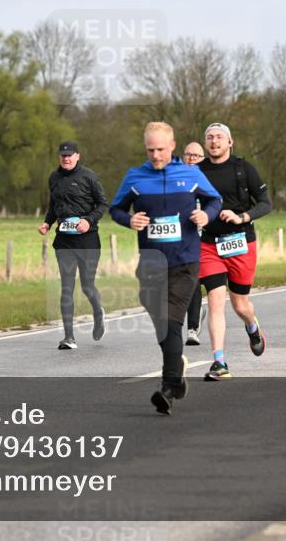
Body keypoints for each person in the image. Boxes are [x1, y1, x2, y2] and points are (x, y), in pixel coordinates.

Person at [110, 122, 222, 414]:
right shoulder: (135, 177)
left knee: (172, 322)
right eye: (150, 150)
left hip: (185, 261)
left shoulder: (190, 173)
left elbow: (214, 199)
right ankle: (177, 367)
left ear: (172, 146)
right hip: (150, 264)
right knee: (163, 325)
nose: (156, 155)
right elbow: (116, 208)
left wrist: (205, 215)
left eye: (160, 149)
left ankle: (168, 387)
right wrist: (128, 220)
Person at [196, 123, 272, 380]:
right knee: (215, 301)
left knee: (240, 304)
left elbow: (266, 204)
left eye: (219, 137)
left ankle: (252, 327)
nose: (214, 141)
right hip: (209, 245)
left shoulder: (244, 168)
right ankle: (219, 362)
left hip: (241, 242)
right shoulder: (196, 171)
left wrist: (242, 217)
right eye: (210, 137)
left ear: (230, 142)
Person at [39, 141, 108, 350]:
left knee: (87, 285)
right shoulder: (54, 178)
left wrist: (89, 220)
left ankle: (98, 312)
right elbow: (54, 205)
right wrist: (47, 223)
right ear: (59, 157)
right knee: (66, 287)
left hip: (87, 240)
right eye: (63, 156)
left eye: (70, 155)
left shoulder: (89, 176)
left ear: (78, 156)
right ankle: (69, 337)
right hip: (64, 241)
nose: (66, 159)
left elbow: (103, 203)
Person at [182, 141, 208, 346]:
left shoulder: (208, 179)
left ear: (203, 159)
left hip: (207, 240)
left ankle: (192, 327)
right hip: (183, 241)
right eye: (188, 155)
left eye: (196, 156)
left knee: (196, 282)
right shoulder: (177, 179)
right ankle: (193, 323)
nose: (191, 159)